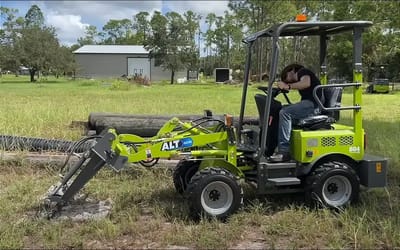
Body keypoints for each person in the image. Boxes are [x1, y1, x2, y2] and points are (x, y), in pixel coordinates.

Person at [269, 63, 321, 162]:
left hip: (313, 105)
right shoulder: (299, 77)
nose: (287, 80)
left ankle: (284, 152)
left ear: (292, 70)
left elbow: (306, 83)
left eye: (286, 77)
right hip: (308, 104)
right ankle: (272, 146)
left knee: (285, 112)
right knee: (278, 110)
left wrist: (287, 86)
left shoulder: (303, 72)